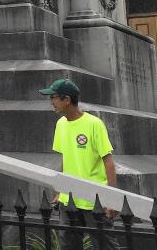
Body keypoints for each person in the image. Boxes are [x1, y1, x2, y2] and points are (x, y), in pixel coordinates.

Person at [38, 78, 118, 250]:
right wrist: (59, 191)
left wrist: (111, 199)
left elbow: (108, 162)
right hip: (69, 200)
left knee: (106, 246)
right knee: (69, 246)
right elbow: (65, 160)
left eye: (54, 97)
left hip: (94, 200)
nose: (51, 102)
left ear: (67, 100)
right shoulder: (60, 125)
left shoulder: (94, 124)